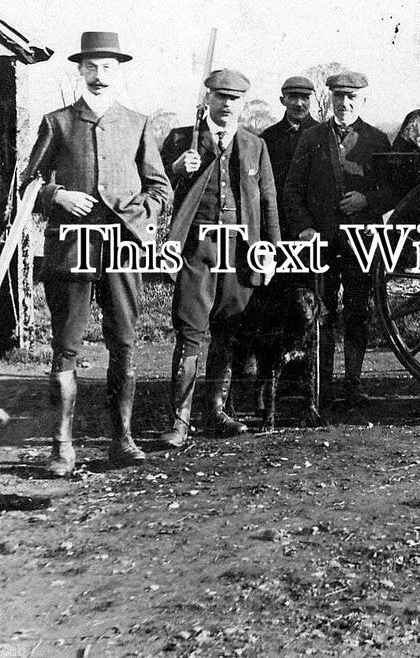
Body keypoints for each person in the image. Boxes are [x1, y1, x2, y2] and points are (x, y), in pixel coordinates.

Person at [18, 31, 172, 475]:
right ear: (79, 71)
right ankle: (61, 447)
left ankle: (121, 440)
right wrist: (57, 196)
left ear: (118, 72)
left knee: (123, 341)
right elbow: (27, 185)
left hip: (123, 250)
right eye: (91, 67)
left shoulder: (138, 123)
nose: (100, 76)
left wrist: (137, 213)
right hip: (70, 249)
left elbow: (159, 189)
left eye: (108, 68)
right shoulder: (57, 122)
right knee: (65, 346)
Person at [158, 69, 280, 446]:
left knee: (229, 327)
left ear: (243, 103)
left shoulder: (254, 145)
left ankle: (216, 411)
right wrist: (178, 169)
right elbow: (157, 185)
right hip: (197, 248)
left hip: (240, 248)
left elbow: (267, 200)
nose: (227, 105)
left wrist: (270, 250)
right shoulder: (183, 139)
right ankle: (179, 421)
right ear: (207, 98)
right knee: (191, 328)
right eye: (221, 97)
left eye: (235, 99)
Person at [283, 71, 394, 406]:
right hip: (323, 242)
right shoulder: (313, 137)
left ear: (363, 100)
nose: (345, 104)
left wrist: (368, 201)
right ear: (330, 98)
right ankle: (323, 382)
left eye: (352, 98)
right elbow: (291, 189)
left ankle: (354, 382)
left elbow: (392, 191)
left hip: (362, 242)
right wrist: (305, 227)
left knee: (358, 311)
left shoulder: (377, 139)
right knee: (323, 309)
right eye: (339, 98)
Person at [260, 75, 319, 225]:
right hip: (279, 220)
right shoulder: (267, 138)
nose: (299, 104)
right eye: (293, 97)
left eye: (305, 98)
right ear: (282, 100)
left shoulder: (324, 135)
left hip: (315, 221)